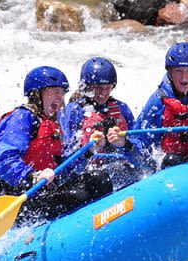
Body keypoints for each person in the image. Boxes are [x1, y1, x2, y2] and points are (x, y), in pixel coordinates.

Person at [0, 66, 113, 223]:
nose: (61, 97)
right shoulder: (22, 117)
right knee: (77, 195)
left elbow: (65, 167)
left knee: (99, 178)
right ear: (36, 94)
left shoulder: (54, 123)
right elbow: (2, 160)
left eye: (63, 93)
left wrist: (88, 149)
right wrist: (32, 176)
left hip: (45, 193)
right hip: (22, 200)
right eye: (55, 91)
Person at [60, 57, 149, 188]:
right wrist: (88, 149)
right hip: (89, 176)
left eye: (108, 87)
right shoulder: (73, 112)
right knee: (101, 177)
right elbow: (65, 155)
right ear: (87, 87)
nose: (103, 93)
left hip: (118, 171)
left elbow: (142, 152)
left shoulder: (121, 108)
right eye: (98, 88)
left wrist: (125, 143)